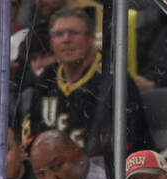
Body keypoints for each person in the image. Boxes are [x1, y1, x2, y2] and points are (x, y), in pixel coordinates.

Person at [25, 8, 151, 155]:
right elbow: (32, 135)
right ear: (51, 42)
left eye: (73, 33)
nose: (66, 40)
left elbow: (128, 141)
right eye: (59, 34)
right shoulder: (47, 78)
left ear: (91, 39)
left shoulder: (113, 78)